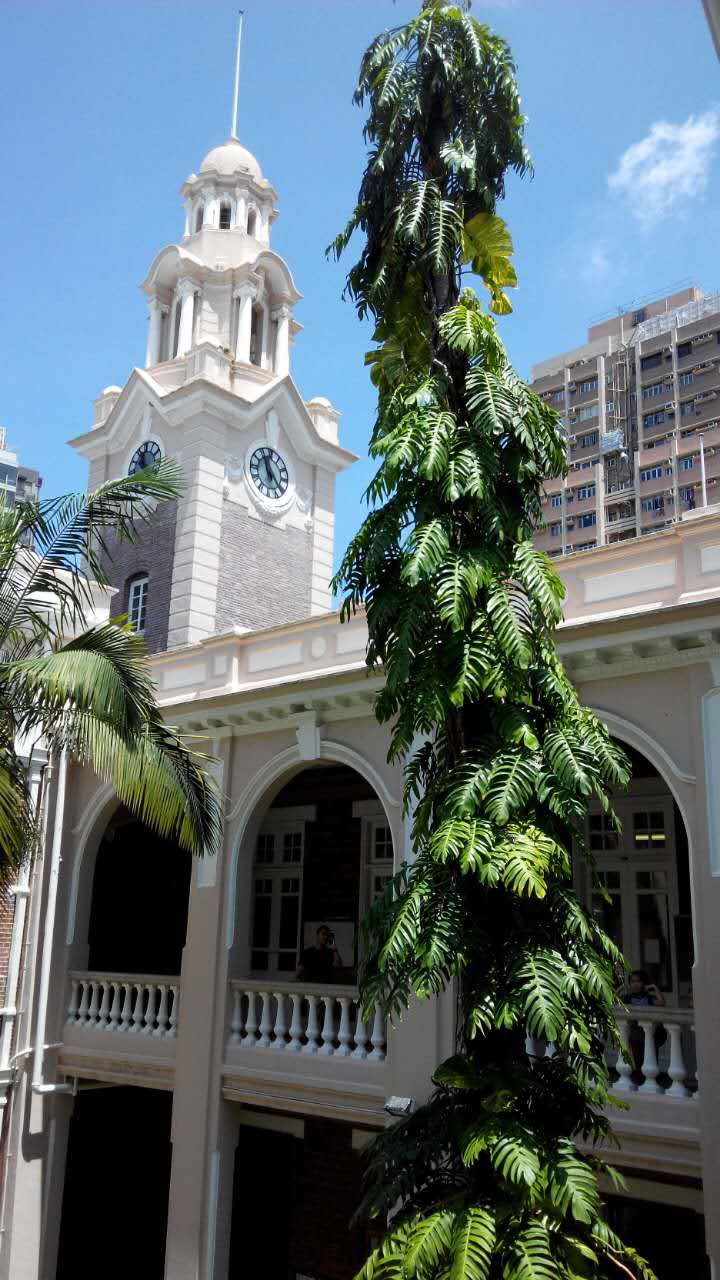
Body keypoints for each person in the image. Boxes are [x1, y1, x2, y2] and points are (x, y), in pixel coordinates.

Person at [621, 969, 666, 1078]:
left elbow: (661, 1002)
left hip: (651, 1034)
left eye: (638, 981)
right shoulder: (628, 998)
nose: (635, 984)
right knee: (638, 1060)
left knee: (651, 1058)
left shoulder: (648, 998)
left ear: (644, 983)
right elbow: (613, 1001)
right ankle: (640, 1079)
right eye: (632, 981)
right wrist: (622, 988)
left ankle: (652, 1079)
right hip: (636, 1034)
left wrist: (654, 988)